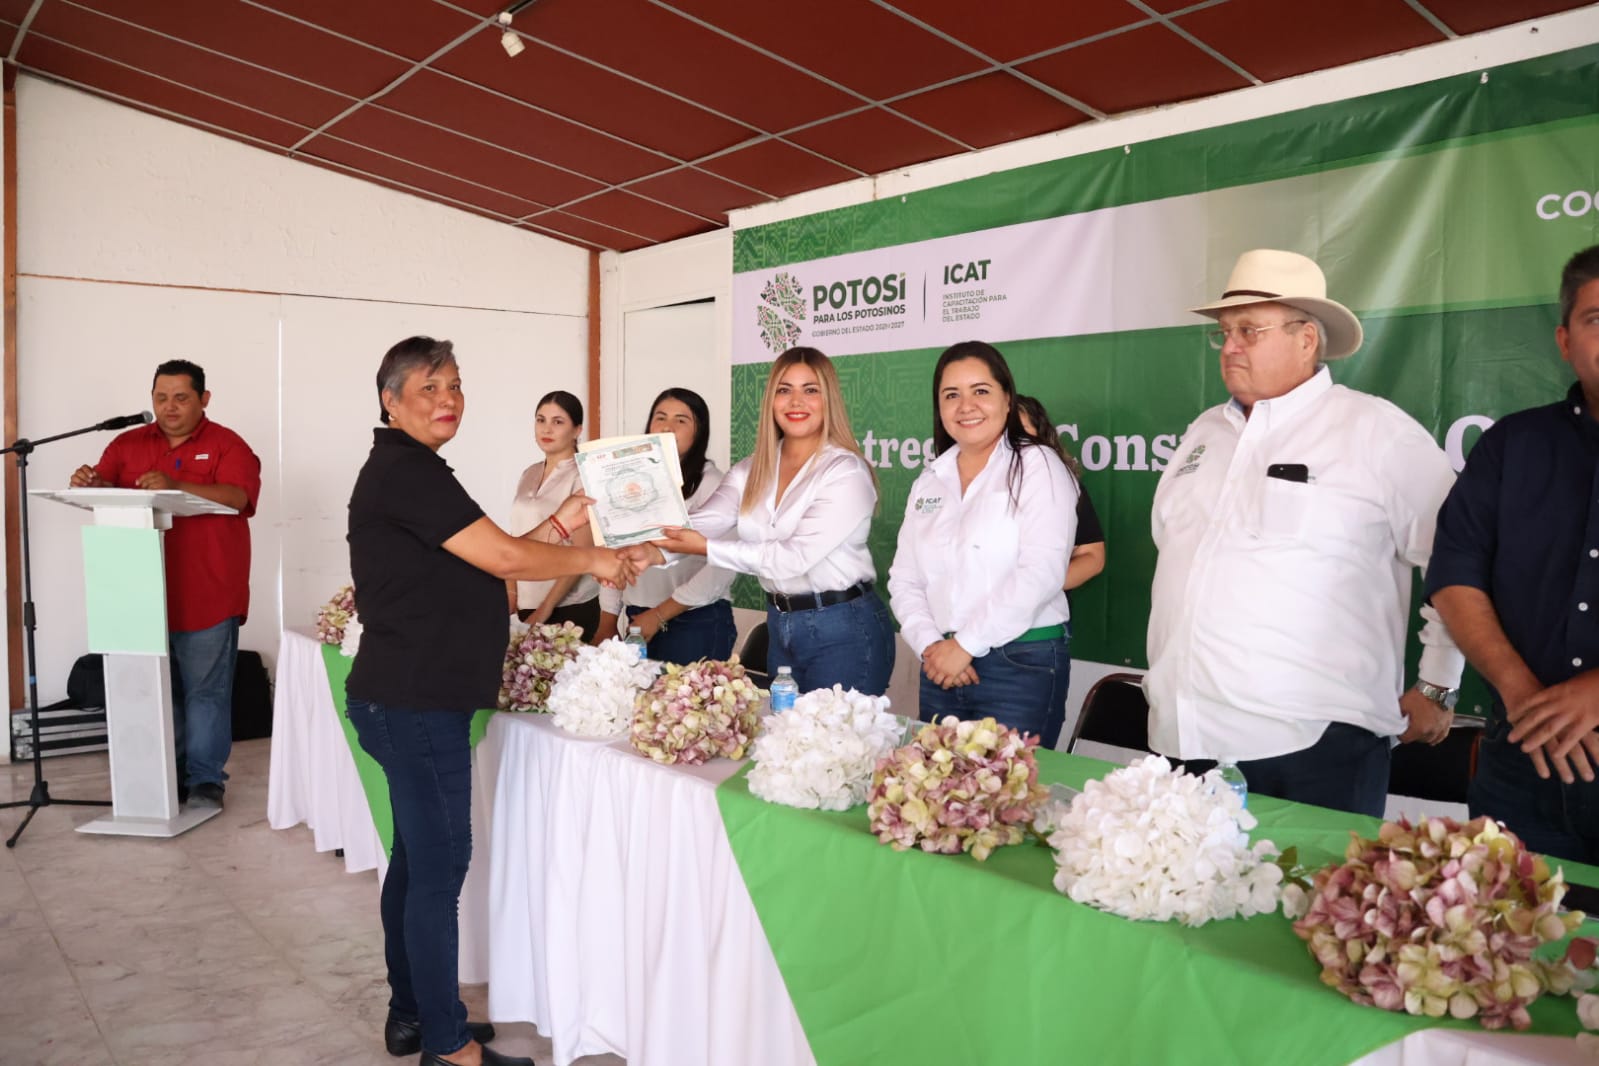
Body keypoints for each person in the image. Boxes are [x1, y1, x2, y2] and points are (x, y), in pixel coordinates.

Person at [345, 337, 630, 1066]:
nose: (448, 399)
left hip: (406, 696)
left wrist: (568, 520)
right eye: (429, 387)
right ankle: (447, 1044)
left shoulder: (412, 470)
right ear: (390, 400)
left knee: (417, 863)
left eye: (455, 385)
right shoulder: (407, 471)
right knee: (438, 870)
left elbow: (489, 556)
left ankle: (415, 1015)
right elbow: (504, 558)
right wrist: (594, 558)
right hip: (415, 701)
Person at [1144, 249, 1463, 817]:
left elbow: (1459, 559)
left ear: (1306, 338)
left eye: (1249, 330)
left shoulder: (1375, 430)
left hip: (1313, 746)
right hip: (1185, 739)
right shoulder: (1204, 433)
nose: (1231, 346)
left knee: (1316, 882)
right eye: (1224, 332)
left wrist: (1437, 683)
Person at [1427, 244, 1599, 861]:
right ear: (1565, 341)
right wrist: (1521, 692)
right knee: (1501, 921)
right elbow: (1455, 575)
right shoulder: (1512, 445)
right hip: (1520, 766)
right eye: (1596, 319)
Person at [647, 347, 895, 695]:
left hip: (844, 629)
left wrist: (706, 548)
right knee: (784, 727)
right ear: (771, 401)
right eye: (784, 389)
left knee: (832, 730)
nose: (796, 401)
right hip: (781, 623)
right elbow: (705, 521)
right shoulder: (751, 468)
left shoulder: (844, 470)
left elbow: (792, 558)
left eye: (810, 389)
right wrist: (647, 551)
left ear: (829, 399)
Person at [70, 359, 260, 809]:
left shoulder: (227, 445)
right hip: (139, 594)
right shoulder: (128, 443)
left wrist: (176, 484)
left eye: (181, 397)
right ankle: (168, 775)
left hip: (208, 595)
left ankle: (206, 781)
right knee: (155, 692)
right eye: (160, 397)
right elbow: (106, 490)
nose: (169, 407)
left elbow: (238, 496)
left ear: (204, 399)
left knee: (205, 694)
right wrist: (92, 483)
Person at [888, 343, 1078, 744]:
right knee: (939, 782)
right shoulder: (930, 480)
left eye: (981, 391)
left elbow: (1041, 573)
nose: (966, 406)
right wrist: (931, 646)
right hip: (941, 668)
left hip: (1019, 667)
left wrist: (965, 645)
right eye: (951, 395)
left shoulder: (1038, 465)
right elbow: (904, 579)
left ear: (1007, 399)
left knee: (1007, 784)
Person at [590, 388, 737, 663]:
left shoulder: (714, 484)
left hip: (695, 621)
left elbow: (721, 568)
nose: (668, 427)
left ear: (699, 431)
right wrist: (607, 620)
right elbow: (617, 551)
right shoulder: (628, 481)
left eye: (681, 420)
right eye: (660, 417)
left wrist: (659, 615)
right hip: (636, 618)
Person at [507, 390, 600, 634]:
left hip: (568, 607)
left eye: (558, 422)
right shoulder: (529, 473)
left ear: (577, 430)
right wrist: (511, 594)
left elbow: (582, 551)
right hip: (525, 604)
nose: (546, 429)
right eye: (541, 420)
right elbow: (516, 536)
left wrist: (545, 609)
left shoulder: (584, 476)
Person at [1015, 394, 1106, 593]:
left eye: (1022, 430)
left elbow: (1092, 556)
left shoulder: (1062, 486)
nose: (1013, 439)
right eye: (1003, 432)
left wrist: (1031, 592)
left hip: (1043, 609)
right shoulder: (965, 485)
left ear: (1041, 434)